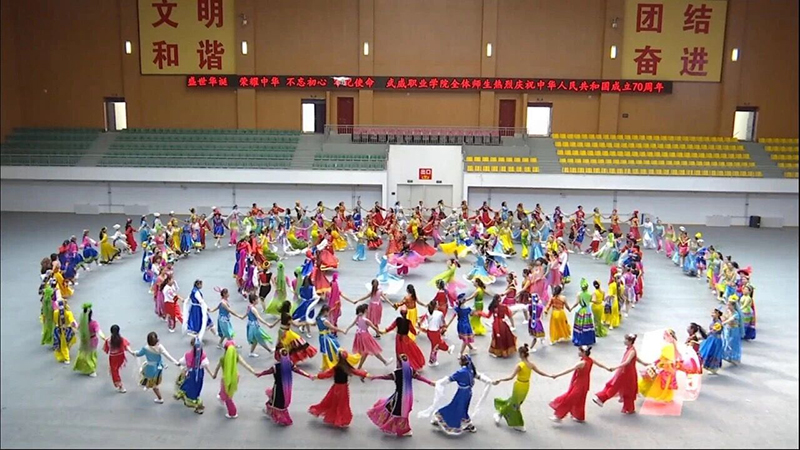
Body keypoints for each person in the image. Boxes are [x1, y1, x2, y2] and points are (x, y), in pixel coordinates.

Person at [419, 354, 493, 436]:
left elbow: (449, 379)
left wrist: (437, 383)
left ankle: (444, 418)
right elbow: (479, 376)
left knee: (456, 407)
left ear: (462, 362)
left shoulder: (461, 372)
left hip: (462, 393)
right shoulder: (471, 369)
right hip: (468, 393)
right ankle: (467, 423)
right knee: (462, 408)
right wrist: (490, 381)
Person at [367, 354, 435, 437]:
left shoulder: (396, 373)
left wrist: (374, 377)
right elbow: (419, 377)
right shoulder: (410, 370)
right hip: (408, 396)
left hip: (399, 397)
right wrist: (430, 382)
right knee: (401, 412)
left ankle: (403, 430)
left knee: (398, 412)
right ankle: (402, 428)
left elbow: (385, 377)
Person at [492, 344, 555, 431]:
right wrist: (550, 375)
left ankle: (501, 413)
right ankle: (517, 423)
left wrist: (500, 380)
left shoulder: (520, 365)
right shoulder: (530, 365)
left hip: (521, 386)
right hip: (523, 386)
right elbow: (540, 372)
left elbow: (511, 377)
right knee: (515, 404)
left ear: (521, 354)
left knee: (515, 403)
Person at [308, 349, 369, 428]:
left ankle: (333, 416)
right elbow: (357, 372)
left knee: (330, 401)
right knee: (342, 404)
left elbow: (326, 374)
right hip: (343, 389)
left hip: (335, 388)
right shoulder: (347, 367)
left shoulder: (336, 367)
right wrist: (367, 375)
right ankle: (340, 419)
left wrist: (316, 376)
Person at [549, 345, 609, 423]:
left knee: (569, 398)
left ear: (583, 353)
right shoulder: (590, 360)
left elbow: (569, 370)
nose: (578, 352)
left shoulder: (582, 363)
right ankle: (578, 416)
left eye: (580, 351)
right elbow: (600, 364)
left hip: (579, 383)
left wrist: (557, 375)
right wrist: (607, 368)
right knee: (580, 399)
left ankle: (559, 416)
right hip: (585, 383)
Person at [256, 346, 314, 426]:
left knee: (275, 402)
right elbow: (298, 371)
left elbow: (267, 372)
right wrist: (308, 375)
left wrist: (260, 374)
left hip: (278, 387)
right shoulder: (290, 364)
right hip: (287, 388)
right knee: (279, 402)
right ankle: (270, 412)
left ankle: (274, 415)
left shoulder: (276, 367)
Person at [593, 334, 644, 414]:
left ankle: (601, 398)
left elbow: (627, 362)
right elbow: (634, 358)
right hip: (625, 372)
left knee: (616, 386)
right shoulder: (631, 350)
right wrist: (644, 363)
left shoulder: (632, 351)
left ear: (630, 341)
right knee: (624, 388)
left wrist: (615, 367)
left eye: (626, 340)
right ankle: (602, 398)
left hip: (626, 373)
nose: (624, 341)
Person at [212, 339, 257, 419]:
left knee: (228, 396)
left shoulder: (223, 358)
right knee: (228, 392)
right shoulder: (236, 356)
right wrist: (254, 372)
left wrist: (214, 375)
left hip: (226, 378)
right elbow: (246, 365)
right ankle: (222, 397)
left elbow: (217, 368)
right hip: (235, 377)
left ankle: (232, 413)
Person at [135, 331, 181, 404]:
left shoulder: (145, 348)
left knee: (149, 379)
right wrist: (176, 362)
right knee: (154, 380)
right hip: (158, 367)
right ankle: (149, 386)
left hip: (150, 367)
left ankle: (160, 398)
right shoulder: (159, 347)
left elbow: (138, 354)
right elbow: (168, 355)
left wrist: (133, 352)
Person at [174, 338, 216, 414]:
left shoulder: (188, 355)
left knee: (187, 384)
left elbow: (181, 362)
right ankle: (196, 403)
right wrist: (212, 374)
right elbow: (206, 366)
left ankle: (184, 396)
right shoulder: (203, 356)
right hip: (199, 376)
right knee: (196, 389)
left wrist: (179, 364)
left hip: (190, 374)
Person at [344, 303, 391, 369]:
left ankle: (359, 367)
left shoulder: (358, 317)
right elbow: (374, 327)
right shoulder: (366, 320)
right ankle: (385, 362)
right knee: (373, 349)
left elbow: (352, 324)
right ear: (366, 310)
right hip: (365, 336)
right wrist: (381, 332)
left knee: (365, 352)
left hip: (359, 336)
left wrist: (347, 329)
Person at [382, 307, 426, 371]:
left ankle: (399, 365)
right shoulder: (408, 322)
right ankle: (409, 365)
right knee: (409, 352)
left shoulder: (398, 320)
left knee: (398, 351)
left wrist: (384, 331)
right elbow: (413, 331)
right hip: (405, 338)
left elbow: (391, 327)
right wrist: (417, 332)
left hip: (398, 338)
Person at [74, 303, 105, 377]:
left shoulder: (82, 323)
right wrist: (103, 337)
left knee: (84, 355)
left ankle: (87, 368)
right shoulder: (94, 323)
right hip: (92, 341)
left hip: (84, 341)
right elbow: (98, 331)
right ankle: (92, 370)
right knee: (91, 356)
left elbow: (77, 328)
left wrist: (73, 325)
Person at [418, 300, 451, 367]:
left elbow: (424, 322)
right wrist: (444, 327)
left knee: (435, 346)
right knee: (437, 346)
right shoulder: (440, 313)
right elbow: (442, 323)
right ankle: (447, 349)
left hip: (429, 332)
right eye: (437, 304)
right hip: (435, 332)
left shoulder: (428, 313)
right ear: (436, 306)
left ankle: (433, 360)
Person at [103, 324, 135, 393]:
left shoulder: (108, 340)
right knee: (116, 369)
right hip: (121, 356)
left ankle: (120, 386)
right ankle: (119, 384)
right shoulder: (121, 339)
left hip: (113, 357)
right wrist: (132, 352)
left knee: (114, 371)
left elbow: (106, 349)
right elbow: (126, 346)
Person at [245, 293, 277, 357]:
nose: (258, 300)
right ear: (253, 301)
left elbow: (247, 314)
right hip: (254, 326)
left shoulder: (249, 307)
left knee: (255, 340)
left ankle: (251, 352)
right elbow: (259, 318)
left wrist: (241, 317)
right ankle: (270, 350)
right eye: (257, 299)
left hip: (250, 325)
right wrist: (267, 324)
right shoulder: (253, 309)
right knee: (260, 338)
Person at [570, 279, 596, 346]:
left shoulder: (579, 294)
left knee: (580, 326)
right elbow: (594, 301)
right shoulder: (590, 294)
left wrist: (571, 308)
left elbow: (576, 303)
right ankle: (588, 339)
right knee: (587, 326)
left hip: (581, 311)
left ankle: (579, 339)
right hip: (587, 311)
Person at [698, 309, 724, 374]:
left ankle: (713, 368)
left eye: (714, 313)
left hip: (716, 340)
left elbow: (712, 331)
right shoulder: (713, 321)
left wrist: (704, 335)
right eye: (712, 313)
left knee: (714, 353)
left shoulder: (718, 323)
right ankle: (706, 365)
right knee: (706, 351)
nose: (712, 314)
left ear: (718, 314)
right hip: (711, 338)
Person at [721, 297, 743, 365]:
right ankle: (727, 356)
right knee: (726, 342)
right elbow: (724, 318)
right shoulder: (727, 312)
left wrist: (724, 322)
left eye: (729, 305)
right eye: (727, 305)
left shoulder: (736, 314)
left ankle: (735, 358)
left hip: (734, 330)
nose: (728, 306)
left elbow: (731, 319)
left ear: (733, 306)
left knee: (734, 344)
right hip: (727, 329)